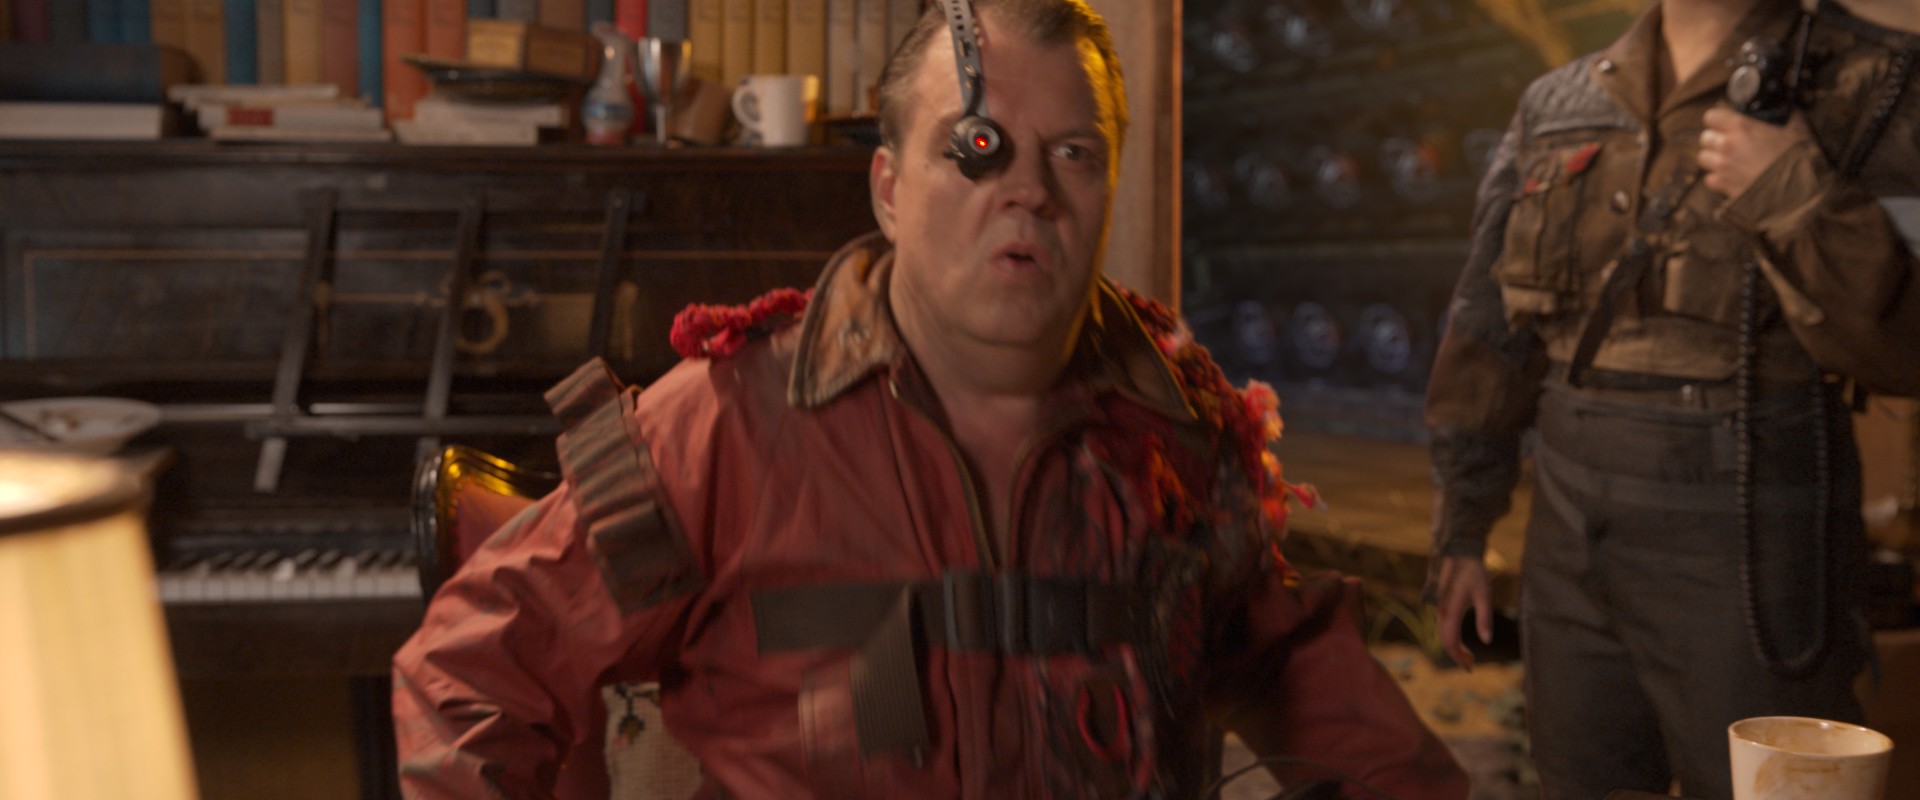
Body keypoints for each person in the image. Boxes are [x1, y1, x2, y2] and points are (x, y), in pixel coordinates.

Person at [394, 0, 1469, 797]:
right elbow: (467, 675)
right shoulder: (727, 416)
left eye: (1074, 154)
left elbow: (1310, 684)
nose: (1030, 191)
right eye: (976, 150)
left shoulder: (1180, 431)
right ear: (889, 190)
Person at [1424, 0, 1920, 797]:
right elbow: (1488, 326)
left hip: (1753, 526)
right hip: (1569, 521)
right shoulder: (1561, 103)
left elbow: (1907, 348)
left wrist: (1793, 192)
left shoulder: (1869, 78)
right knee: (1578, 778)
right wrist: (1462, 524)